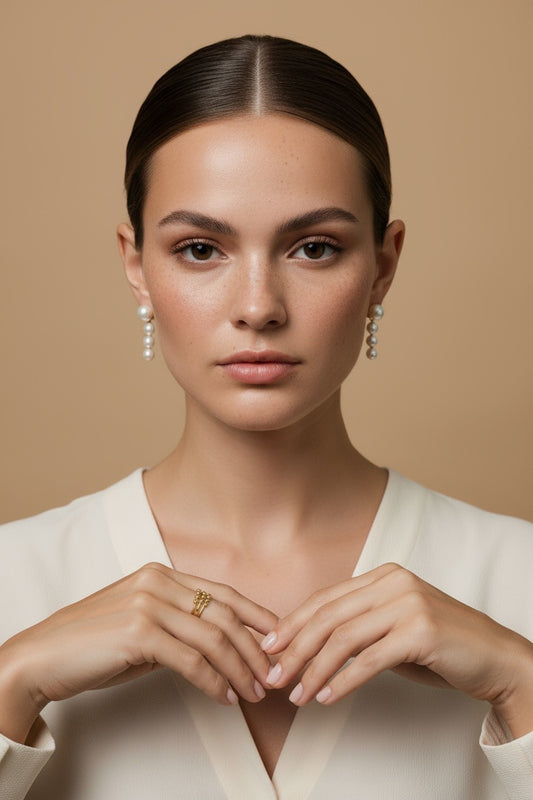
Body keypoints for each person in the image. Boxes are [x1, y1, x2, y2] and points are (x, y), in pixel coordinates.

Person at [0, 34, 532, 800]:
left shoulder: (513, 582)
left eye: (313, 248)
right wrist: (12, 687)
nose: (257, 307)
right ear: (135, 264)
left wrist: (521, 686)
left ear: (383, 265)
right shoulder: (18, 583)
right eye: (200, 249)